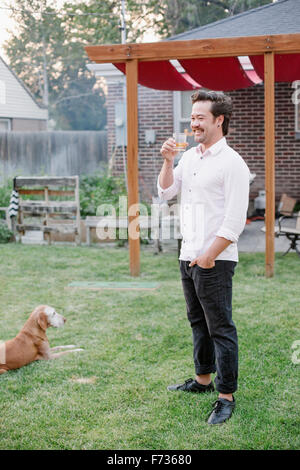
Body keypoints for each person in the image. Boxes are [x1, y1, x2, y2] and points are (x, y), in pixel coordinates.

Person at [157, 89, 250, 425]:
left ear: (219, 120)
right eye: (191, 116)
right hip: (188, 254)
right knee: (198, 323)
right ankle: (202, 381)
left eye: (199, 117)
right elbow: (167, 192)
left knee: (220, 328)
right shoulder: (190, 157)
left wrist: (209, 257)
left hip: (216, 258)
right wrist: (168, 161)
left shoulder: (232, 163)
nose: (192, 122)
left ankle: (226, 397)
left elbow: (235, 221)